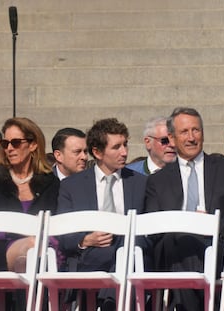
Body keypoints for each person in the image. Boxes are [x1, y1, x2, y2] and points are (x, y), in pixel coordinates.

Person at [144, 107, 224, 310]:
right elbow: (153, 226)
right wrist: (186, 225)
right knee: (180, 246)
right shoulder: (158, 181)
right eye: (184, 132)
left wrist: (210, 225)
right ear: (172, 138)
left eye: (196, 130)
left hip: (218, 244)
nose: (191, 138)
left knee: (191, 251)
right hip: (175, 249)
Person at [56, 118, 147, 310]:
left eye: (125, 145)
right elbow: (63, 236)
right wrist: (86, 240)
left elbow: (149, 230)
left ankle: (107, 304)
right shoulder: (72, 186)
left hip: (132, 255)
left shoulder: (140, 183)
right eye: (116, 147)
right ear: (97, 152)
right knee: (120, 250)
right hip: (90, 256)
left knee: (127, 244)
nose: (124, 152)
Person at [0, 117, 60, 273]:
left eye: (16, 143)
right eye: (5, 144)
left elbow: (55, 222)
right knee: (32, 246)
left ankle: (33, 297)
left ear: (33, 145)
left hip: (42, 250)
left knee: (33, 252)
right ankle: (36, 297)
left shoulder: (50, 183)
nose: (9, 149)